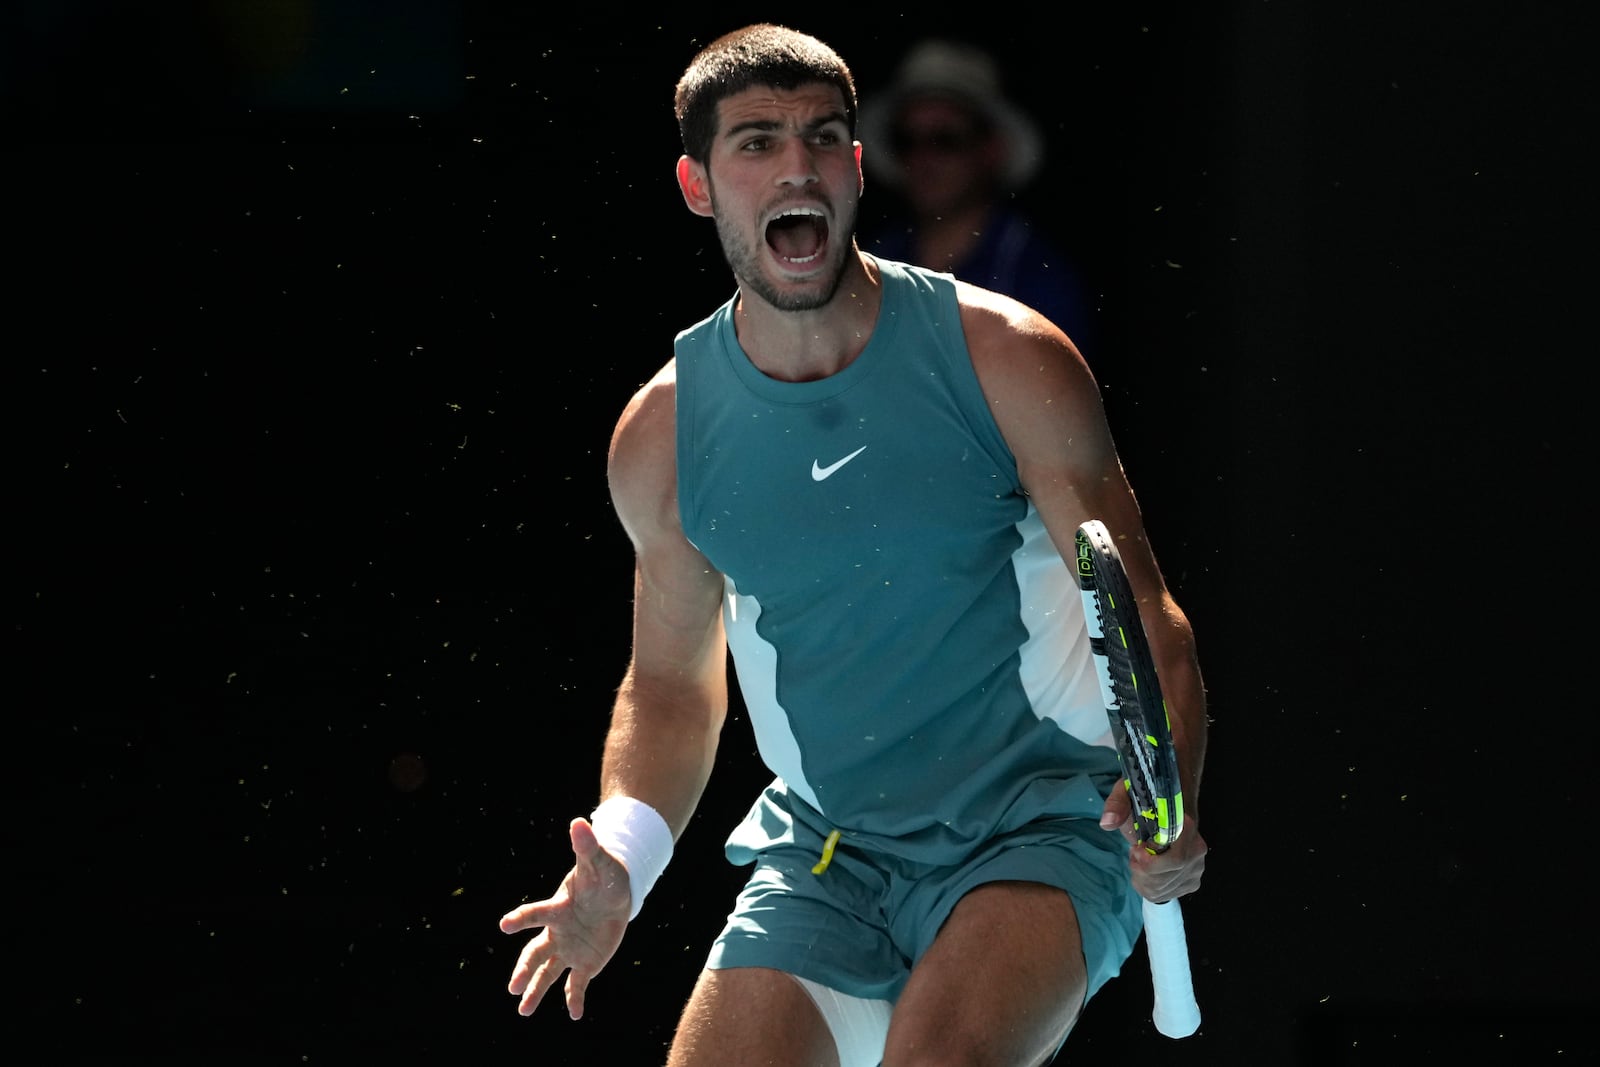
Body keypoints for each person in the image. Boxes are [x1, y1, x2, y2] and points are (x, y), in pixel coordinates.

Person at [499, 23, 1208, 1067]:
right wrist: (625, 856)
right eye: (756, 143)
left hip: (1043, 824)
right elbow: (671, 686)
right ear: (698, 186)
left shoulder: (1007, 356)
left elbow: (1147, 607)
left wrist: (1172, 784)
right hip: (828, 850)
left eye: (822, 137)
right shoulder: (661, 438)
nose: (797, 166)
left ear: (854, 169)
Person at [857, 38, 1100, 357]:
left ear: (991, 150)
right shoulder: (872, 261)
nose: (922, 158)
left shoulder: (1039, 279)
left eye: (945, 140)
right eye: (906, 140)